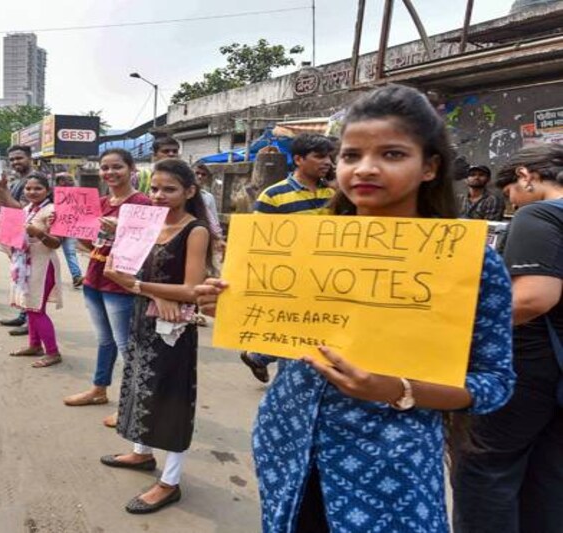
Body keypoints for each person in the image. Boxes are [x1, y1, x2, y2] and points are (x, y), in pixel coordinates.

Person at [196, 85, 515, 532]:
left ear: (430, 167)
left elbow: (495, 383)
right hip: (286, 442)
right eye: (350, 156)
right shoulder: (306, 241)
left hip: (388, 468)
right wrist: (236, 307)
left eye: (392, 154)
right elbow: (287, 341)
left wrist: (396, 390)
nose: (365, 169)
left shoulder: (471, 261)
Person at [451, 144, 563, 533]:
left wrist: (459, 330)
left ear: (526, 176)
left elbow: (533, 297)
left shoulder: (539, 214)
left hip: (532, 371)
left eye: (512, 192)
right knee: (546, 476)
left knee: (484, 468)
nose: (512, 202)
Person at [99, 159, 212, 514]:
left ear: (189, 192)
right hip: (143, 319)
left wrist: (141, 286)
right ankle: (142, 454)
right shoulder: (141, 223)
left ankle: (170, 482)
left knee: (172, 399)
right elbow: (112, 268)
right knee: (138, 385)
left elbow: (193, 290)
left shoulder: (195, 231)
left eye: (170, 189)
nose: (160, 196)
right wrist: (153, 293)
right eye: (154, 188)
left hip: (173, 328)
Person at [62, 148, 152, 429]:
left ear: (131, 169)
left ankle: (133, 404)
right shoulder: (99, 203)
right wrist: (78, 231)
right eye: (105, 168)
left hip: (122, 283)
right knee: (105, 341)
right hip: (95, 277)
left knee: (127, 345)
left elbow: (147, 249)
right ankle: (99, 390)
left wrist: (121, 230)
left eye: (117, 167)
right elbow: (90, 246)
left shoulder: (142, 204)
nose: (110, 173)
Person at [241, 133, 336, 383]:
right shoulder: (273, 196)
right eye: (319, 156)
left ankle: (258, 356)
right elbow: (259, 241)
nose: (326, 161)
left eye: (329, 156)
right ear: (298, 159)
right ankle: (266, 361)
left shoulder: (336, 195)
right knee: (296, 330)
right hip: (292, 280)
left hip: (331, 279)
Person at [2, 175, 64, 368]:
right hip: (26, 264)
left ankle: (53, 352)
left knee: (36, 309)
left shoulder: (53, 210)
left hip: (43, 264)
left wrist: (38, 233)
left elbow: (56, 243)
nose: (32, 192)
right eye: (28, 189)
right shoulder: (27, 209)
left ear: (47, 190)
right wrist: (1, 223)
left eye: (37, 188)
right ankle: (34, 345)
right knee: (30, 307)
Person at [0, 145, 44, 336]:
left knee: (29, 278)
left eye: (19, 158)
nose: (15, 162)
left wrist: (4, 193)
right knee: (20, 277)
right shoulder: (17, 180)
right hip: (15, 235)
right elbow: (8, 206)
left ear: (30, 158)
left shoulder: (34, 180)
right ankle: (24, 314)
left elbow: (24, 211)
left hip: (29, 237)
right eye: (12, 159)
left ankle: (31, 320)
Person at [54, 173, 85, 288]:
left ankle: (76, 276)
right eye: (61, 180)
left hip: (68, 227)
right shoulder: (54, 193)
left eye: (65, 180)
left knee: (70, 252)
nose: (63, 182)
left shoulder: (77, 194)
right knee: (49, 252)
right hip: (56, 226)